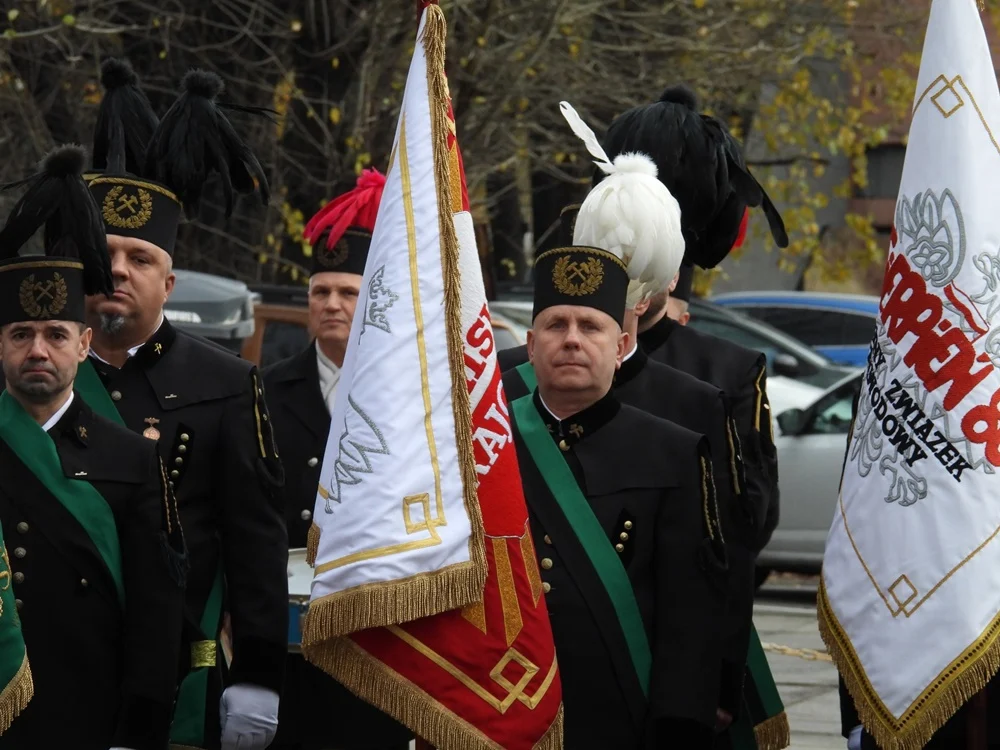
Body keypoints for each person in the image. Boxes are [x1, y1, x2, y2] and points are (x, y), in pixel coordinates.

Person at [501, 113, 756, 732]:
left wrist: (681, 719)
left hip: (619, 704)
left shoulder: (674, 451)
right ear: (529, 345)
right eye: (556, 327)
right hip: (504, 699)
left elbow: (689, 607)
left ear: (621, 345)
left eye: (590, 327)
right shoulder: (489, 434)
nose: (571, 341)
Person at [82, 59, 288, 750]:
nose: (116, 269)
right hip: (53, 663)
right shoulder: (32, 378)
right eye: (102, 253)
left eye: (138, 257)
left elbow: (254, 538)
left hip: (177, 677)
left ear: (169, 281)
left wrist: (258, 671)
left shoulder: (226, 382)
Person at [601, 85, 790, 749]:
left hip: (673, 661)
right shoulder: (533, 367)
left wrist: (716, 676)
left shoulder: (727, 373)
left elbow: (738, 537)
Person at [0, 145, 185, 749]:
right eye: (20, 334)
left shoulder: (130, 457)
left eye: (55, 335)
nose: (37, 351)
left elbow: (155, 611)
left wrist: (138, 728)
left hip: (86, 709)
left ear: (83, 345)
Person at [263, 170, 412, 750]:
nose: (331, 304)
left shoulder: (408, 396)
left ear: (373, 300)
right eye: (319, 293)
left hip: (378, 627)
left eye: (348, 293)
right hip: (287, 629)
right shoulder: (265, 392)